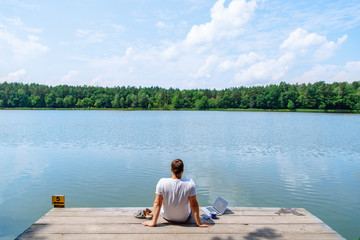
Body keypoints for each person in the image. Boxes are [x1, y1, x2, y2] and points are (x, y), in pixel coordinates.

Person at [142, 159, 211, 227]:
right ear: (182, 170)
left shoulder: (162, 182)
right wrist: (199, 223)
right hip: (183, 218)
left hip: (167, 216)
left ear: (171, 170)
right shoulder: (190, 183)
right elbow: (194, 205)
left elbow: (157, 203)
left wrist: (153, 222)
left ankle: (155, 220)